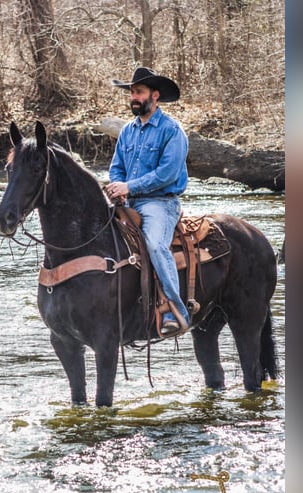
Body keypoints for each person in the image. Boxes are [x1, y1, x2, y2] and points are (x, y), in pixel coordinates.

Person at [105, 67, 190, 337]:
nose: (133, 97)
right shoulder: (128, 131)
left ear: (155, 95)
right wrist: (118, 187)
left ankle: (174, 311)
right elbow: (117, 167)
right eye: (131, 92)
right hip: (129, 202)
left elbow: (167, 174)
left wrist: (129, 185)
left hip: (160, 203)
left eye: (138, 92)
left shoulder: (172, 131)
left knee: (154, 244)